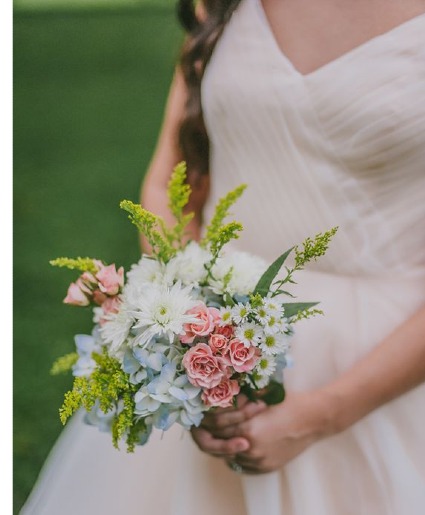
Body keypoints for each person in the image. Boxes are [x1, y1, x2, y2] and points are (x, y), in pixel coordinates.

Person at [21, 0, 425, 513]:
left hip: (385, 362)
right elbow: (174, 182)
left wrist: (318, 415)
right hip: (215, 330)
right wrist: (190, 343)